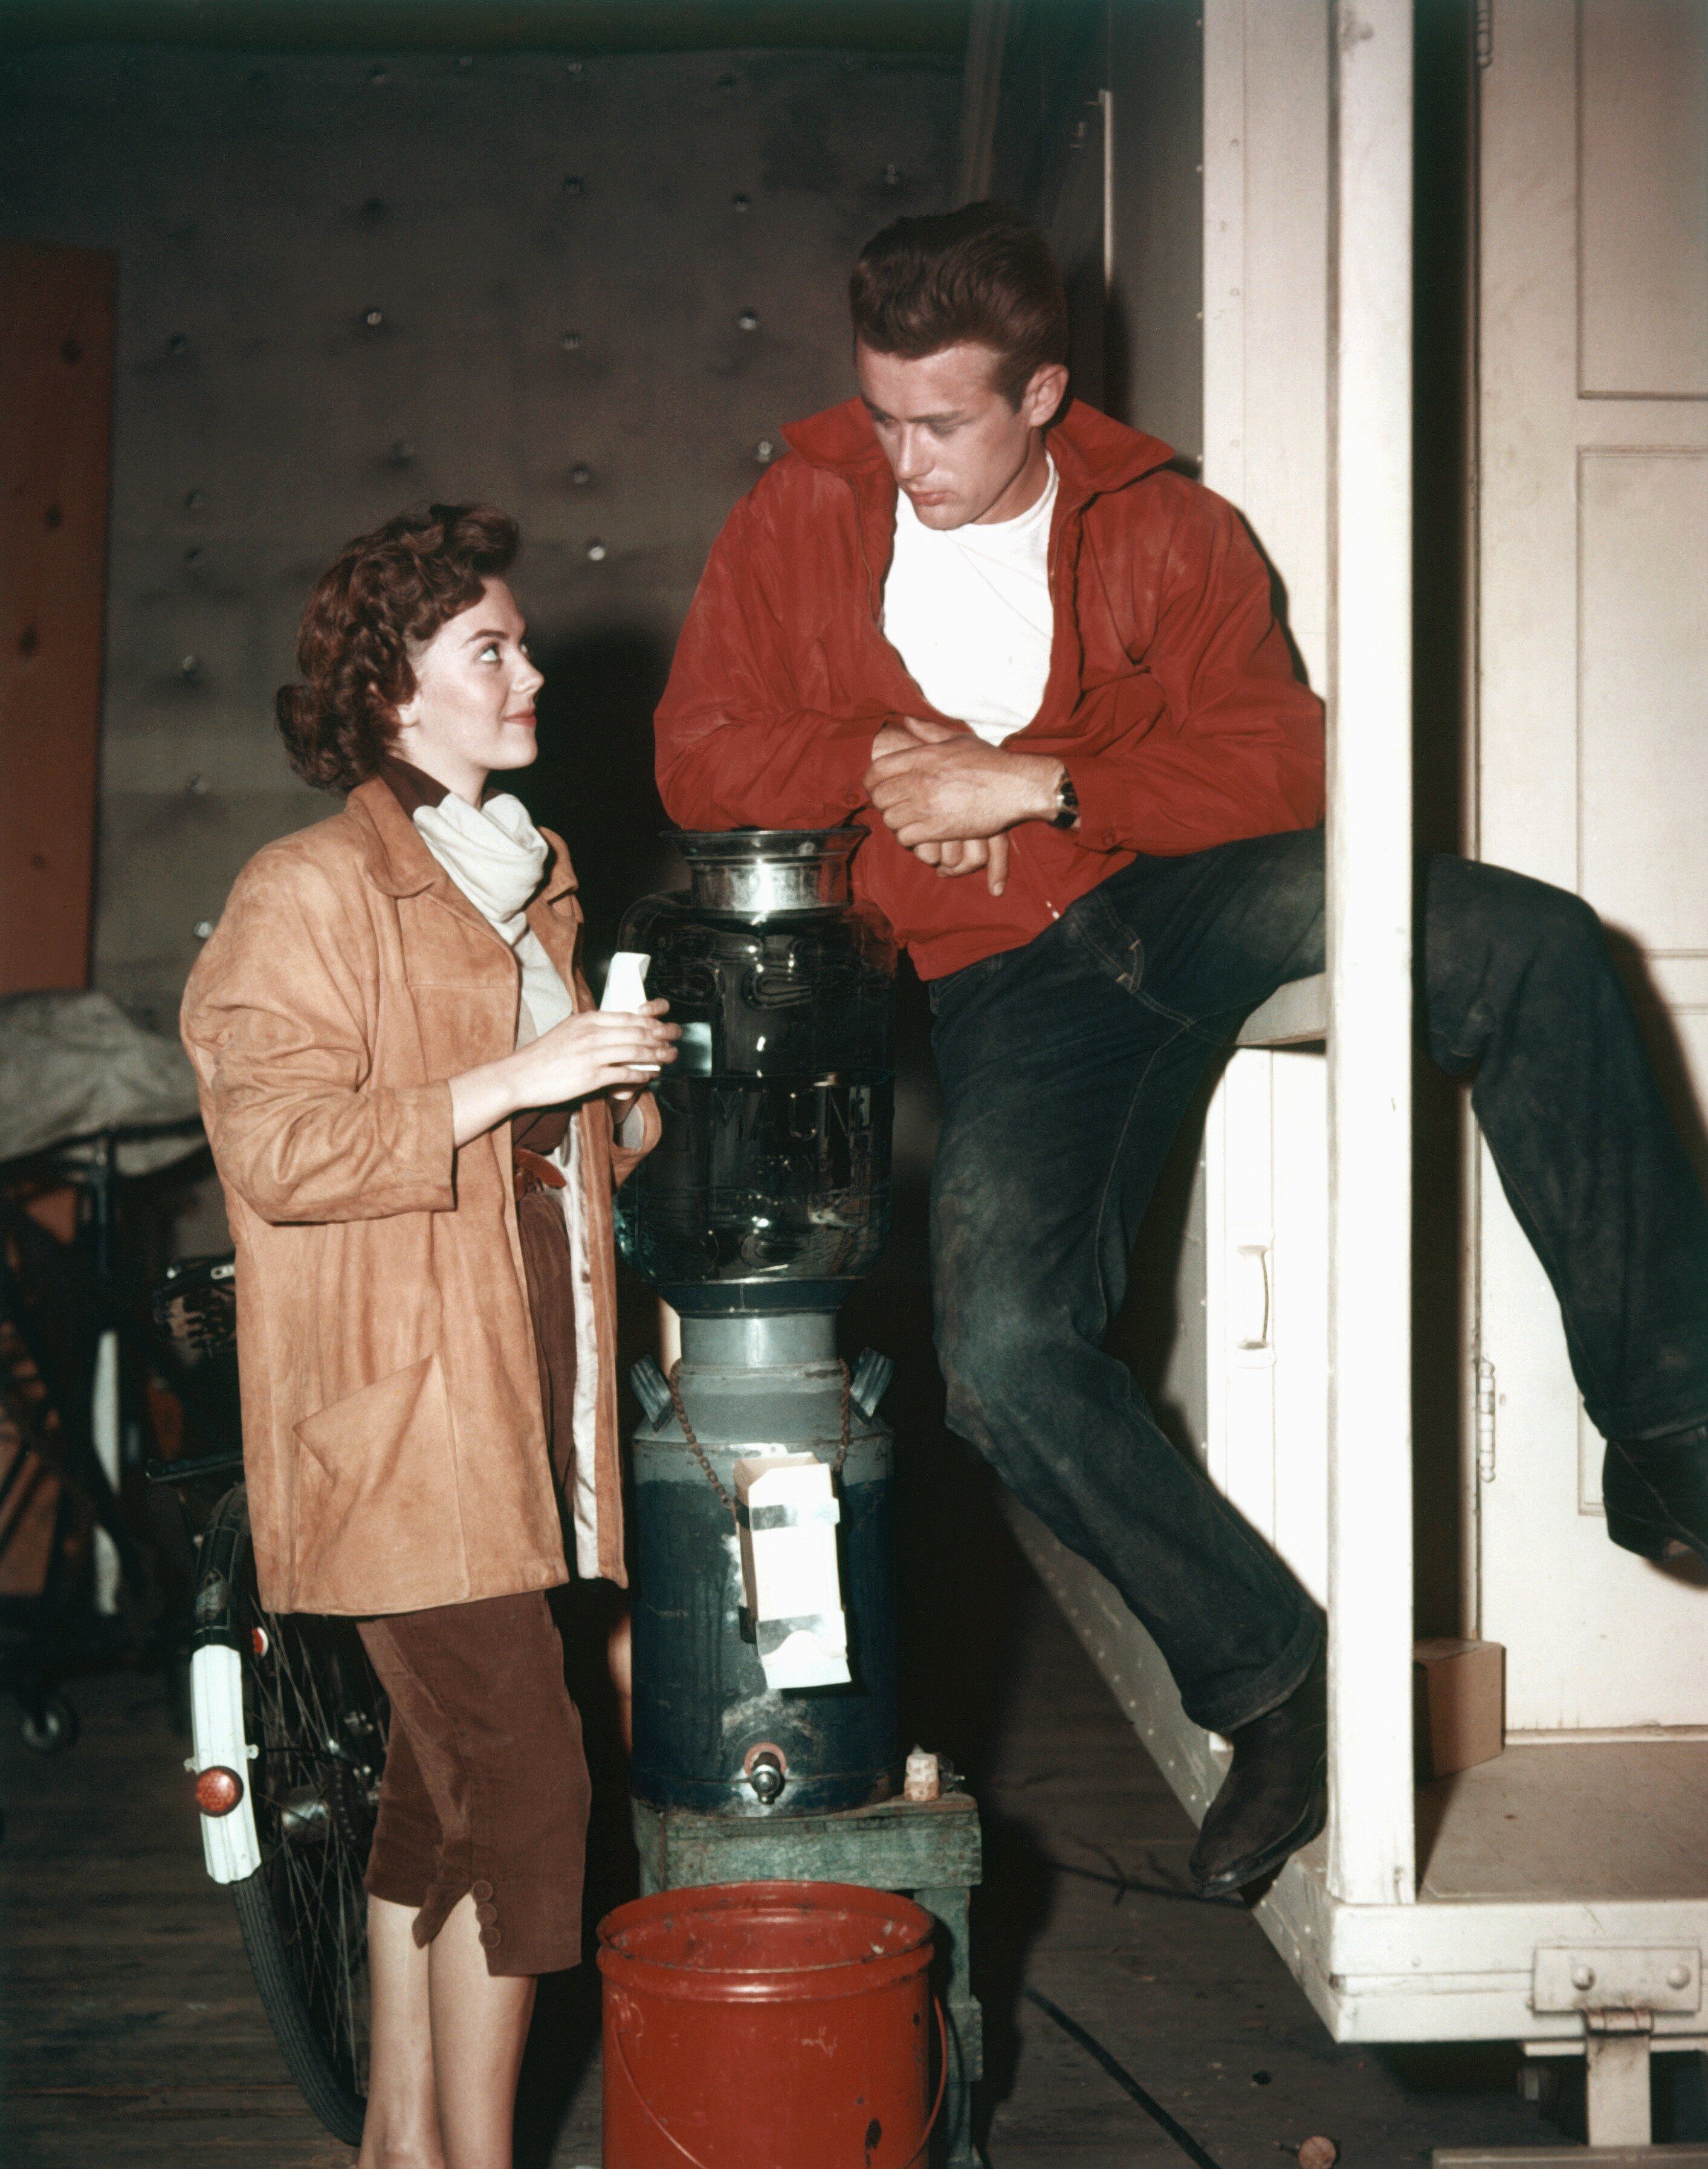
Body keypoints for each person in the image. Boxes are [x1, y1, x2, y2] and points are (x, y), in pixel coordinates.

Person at [652, 203, 1708, 1899]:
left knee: (1529, 944)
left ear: (1045, 391)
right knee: (996, 1360)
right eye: (881, 411)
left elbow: (1288, 762)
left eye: (943, 422)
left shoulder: (1169, 523)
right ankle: (1278, 1684)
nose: (900, 454)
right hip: (1013, 991)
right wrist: (880, 756)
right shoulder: (800, 508)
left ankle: (1676, 1428)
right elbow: (699, 754)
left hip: (1189, 899)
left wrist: (1043, 783)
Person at [181, 504, 678, 2169]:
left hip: (523, 1403)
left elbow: (541, 1164)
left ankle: (402, 2140)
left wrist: (613, 1095)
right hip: (404, 1428)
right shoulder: (307, 890)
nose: (530, 669)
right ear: (392, 691)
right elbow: (282, 1151)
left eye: (520, 642)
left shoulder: (519, 874)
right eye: (492, 649)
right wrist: (524, 1078)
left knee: (440, 1791)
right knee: (531, 1791)